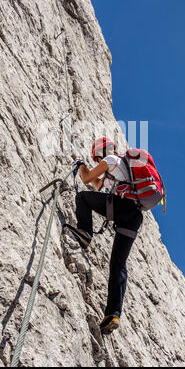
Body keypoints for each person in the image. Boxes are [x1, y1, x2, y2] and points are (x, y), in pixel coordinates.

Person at [63, 137, 143, 335]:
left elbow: (87, 179)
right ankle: (112, 315)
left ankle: (85, 233)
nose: (98, 161)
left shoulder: (111, 159)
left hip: (122, 209)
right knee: (118, 265)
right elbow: (99, 185)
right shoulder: (118, 170)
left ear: (100, 152)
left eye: (96, 158)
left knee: (82, 197)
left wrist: (81, 165)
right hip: (133, 217)